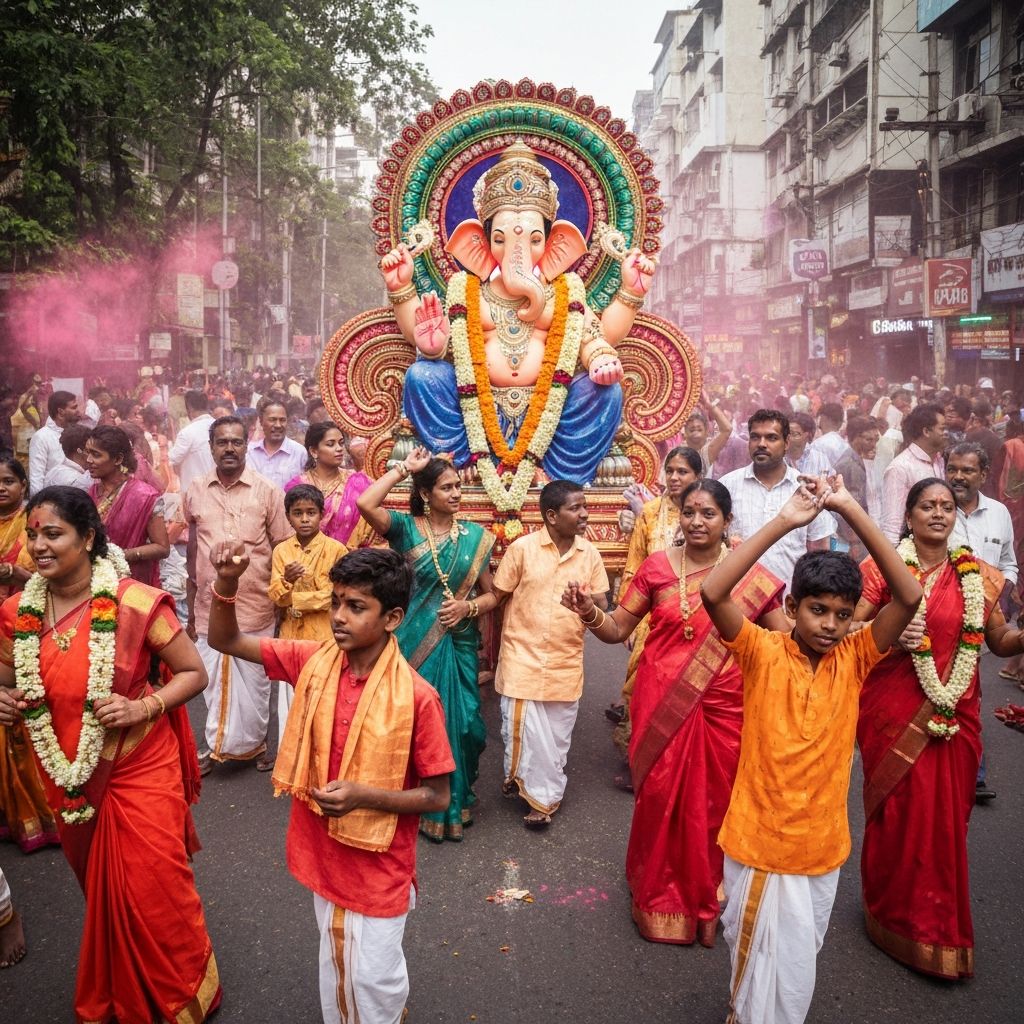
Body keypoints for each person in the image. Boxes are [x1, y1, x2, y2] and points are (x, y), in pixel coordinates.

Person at [700, 473, 922, 1024]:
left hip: (820, 846)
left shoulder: (858, 656)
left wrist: (848, 505)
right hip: (756, 838)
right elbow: (713, 591)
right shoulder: (759, 649)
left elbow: (909, 595)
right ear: (793, 605)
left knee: (796, 962)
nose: (829, 625)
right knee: (754, 964)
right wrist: (786, 522)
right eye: (817, 610)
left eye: (843, 615)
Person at [207, 545, 453, 1024]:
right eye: (336, 601)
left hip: (380, 865)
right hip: (323, 851)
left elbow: (438, 795)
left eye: (356, 607)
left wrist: (364, 796)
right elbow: (226, 640)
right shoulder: (312, 661)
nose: (338, 617)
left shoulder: (418, 699)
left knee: (374, 976)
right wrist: (228, 583)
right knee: (339, 960)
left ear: (393, 618)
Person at [0, 486, 220, 1021]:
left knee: (153, 885)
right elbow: (9, 679)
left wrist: (144, 708)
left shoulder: (135, 603)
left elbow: (194, 673)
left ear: (88, 538)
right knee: (101, 888)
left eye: (52, 534)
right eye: (33, 535)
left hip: (139, 762)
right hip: (68, 772)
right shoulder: (14, 613)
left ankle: (184, 992)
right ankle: (125, 980)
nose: (38, 546)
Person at [563, 480, 787, 946]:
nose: (697, 522)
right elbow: (617, 628)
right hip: (661, 699)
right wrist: (588, 611)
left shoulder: (751, 577)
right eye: (689, 513)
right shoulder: (658, 566)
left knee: (714, 804)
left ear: (727, 521)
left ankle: (707, 894)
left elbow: (783, 644)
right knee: (661, 797)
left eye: (708, 514)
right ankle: (656, 892)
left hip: (728, 708)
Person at [855, 478, 1024, 980]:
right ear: (908, 517)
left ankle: (936, 928)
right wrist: (886, 630)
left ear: (957, 517)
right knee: (897, 815)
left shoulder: (981, 578)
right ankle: (887, 910)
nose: (938, 513)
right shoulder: (881, 568)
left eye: (947, 507)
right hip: (892, 710)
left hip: (953, 719)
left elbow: (998, 642)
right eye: (926, 506)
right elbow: (849, 631)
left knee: (943, 825)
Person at [358, 448, 495, 841]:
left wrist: (468, 607)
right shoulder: (405, 528)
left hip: (459, 643)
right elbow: (366, 502)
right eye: (446, 488)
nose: (456, 494)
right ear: (425, 492)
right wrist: (404, 468)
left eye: (457, 487)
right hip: (411, 645)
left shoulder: (476, 537)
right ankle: (415, 802)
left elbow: (493, 595)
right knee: (412, 724)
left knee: (467, 725)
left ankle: (454, 801)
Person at [477, 480, 609, 829]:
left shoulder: (590, 554)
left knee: (553, 739)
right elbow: (497, 596)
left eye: (585, 507)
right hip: (522, 655)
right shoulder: (522, 549)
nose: (584, 514)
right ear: (552, 516)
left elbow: (604, 605)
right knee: (523, 728)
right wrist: (468, 607)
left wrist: (586, 603)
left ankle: (534, 783)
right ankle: (541, 801)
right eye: (575, 508)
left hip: (565, 662)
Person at [184, 416, 292, 773]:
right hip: (207, 606)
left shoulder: (267, 491)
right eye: (221, 442)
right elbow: (192, 549)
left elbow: (283, 546)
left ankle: (256, 744)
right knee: (212, 684)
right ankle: (217, 745)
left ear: (247, 445)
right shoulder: (195, 490)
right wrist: (190, 605)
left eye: (236, 442)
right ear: (211, 447)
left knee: (256, 684)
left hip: (255, 605)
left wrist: (283, 599)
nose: (229, 448)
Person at [608, 446, 702, 750]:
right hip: (651, 617)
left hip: (695, 616)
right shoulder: (649, 513)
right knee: (644, 685)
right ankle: (638, 755)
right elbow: (635, 564)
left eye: (683, 471)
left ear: (698, 476)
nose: (674, 477)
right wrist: (629, 619)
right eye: (670, 471)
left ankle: (676, 756)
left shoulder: (704, 514)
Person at [0, 457, 60, 855]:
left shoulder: (35, 525)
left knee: (31, 708)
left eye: (8, 480)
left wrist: (11, 575)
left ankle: (48, 807)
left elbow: (49, 577)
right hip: (5, 622)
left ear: (23, 483)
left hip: (31, 622)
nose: (1, 488)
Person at [718, 409, 835, 593]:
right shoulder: (727, 485)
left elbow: (818, 554)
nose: (761, 444)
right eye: (755, 437)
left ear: (786, 442)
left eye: (771, 438)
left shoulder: (806, 490)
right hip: (736, 606)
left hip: (787, 606)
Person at [269, 484, 348, 746]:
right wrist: (288, 582)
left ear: (321, 514)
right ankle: (291, 765)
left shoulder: (336, 550)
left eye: (311, 513)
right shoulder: (282, 551)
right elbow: (276, 597)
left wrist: (296, 600)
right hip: (291, 637)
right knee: (291, 705)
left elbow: (334, 597)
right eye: (298, 513)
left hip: (325, 637)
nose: (305, 519)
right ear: (288, 516)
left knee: (324, 702)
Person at [85, 425, 169, 588]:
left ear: (118, 459)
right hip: (93, 580)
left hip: (132, 583)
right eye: (87, 453)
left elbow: (162, 547)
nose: (89, 460)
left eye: (96, 455)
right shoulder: (91, 493)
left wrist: (120, 555)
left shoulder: (145, 496)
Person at [285, 423, 367, 546]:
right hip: (306, 560)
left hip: (351, 560)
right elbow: (288, 531)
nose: (339, 448)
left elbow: (371, 528)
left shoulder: (358, 482)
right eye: (330, 444)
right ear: (314, 451)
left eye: (341, 443)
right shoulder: (296, 485)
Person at [880, 402, 947, 543]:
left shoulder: (939, 461)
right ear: (926, 432)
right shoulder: (900, 468)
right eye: (942, 429)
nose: (946, 433)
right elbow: (892, 526)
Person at [832, 416, 881, 561]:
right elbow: (848, 507)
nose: (873, 444)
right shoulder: (849, 464)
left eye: (875, 440)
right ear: (855, 438)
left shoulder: (859, 460)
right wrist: (853, 541)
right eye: (868, 440)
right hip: (853, 539)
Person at [28, 390, 81, 495]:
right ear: (61, 412)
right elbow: (36, 477)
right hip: (53, 500)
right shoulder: (42, 437)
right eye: (74, 407)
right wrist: (38, 505)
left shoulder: (78, 434)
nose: (78, 411)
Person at [248, 397, 307, 489]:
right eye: (272, 420)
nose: (278, 425)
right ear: (261, 421)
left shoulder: (299, 452)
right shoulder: (249, 452)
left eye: (282, 420)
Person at [168, 390, 215, 495]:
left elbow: (171, 460)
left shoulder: (187, 433)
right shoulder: (221, 427)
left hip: (196, 495)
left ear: (189, 409)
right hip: (220, 494)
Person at [42, 422, 94, 490]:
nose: (93, 458)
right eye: (91, 452)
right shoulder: (79, 481)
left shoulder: (53, 471)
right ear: (79, 451)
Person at [785, 412, 831, 477]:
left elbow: (828, 483)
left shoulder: (819, 459)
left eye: (794, 434)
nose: (788, 438)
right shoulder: (778, 458)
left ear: (807, 436)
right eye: (785, 433)